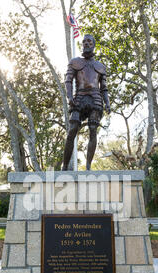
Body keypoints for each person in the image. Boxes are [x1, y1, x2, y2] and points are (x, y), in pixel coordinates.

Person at [62, 34, 111, 171]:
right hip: (80, 97)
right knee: (72, 130)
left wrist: (107, 103)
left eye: (89, 41)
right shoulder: (75, 62)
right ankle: (65, 166)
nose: (86, 43)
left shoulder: (100, 66)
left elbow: (104, 87)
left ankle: (88, 166)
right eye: (84, 42)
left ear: (93, 44)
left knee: (93, 130)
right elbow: (68, 80)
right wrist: (69, 96)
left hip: (95, 98)